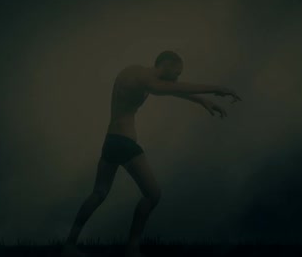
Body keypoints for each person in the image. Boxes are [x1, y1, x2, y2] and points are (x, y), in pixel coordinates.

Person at [63, 50, 242, 257]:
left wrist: (201, 101)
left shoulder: (141, 76)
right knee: (153, 194)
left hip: (111, 141)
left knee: (99, 193)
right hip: (124, 143)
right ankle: (132, 248)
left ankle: (69, 245)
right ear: (165, 65)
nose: (177, 78)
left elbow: (173, 90)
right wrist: (217, 88)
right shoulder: (143, 77)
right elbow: (172, 88)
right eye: (177, 72)